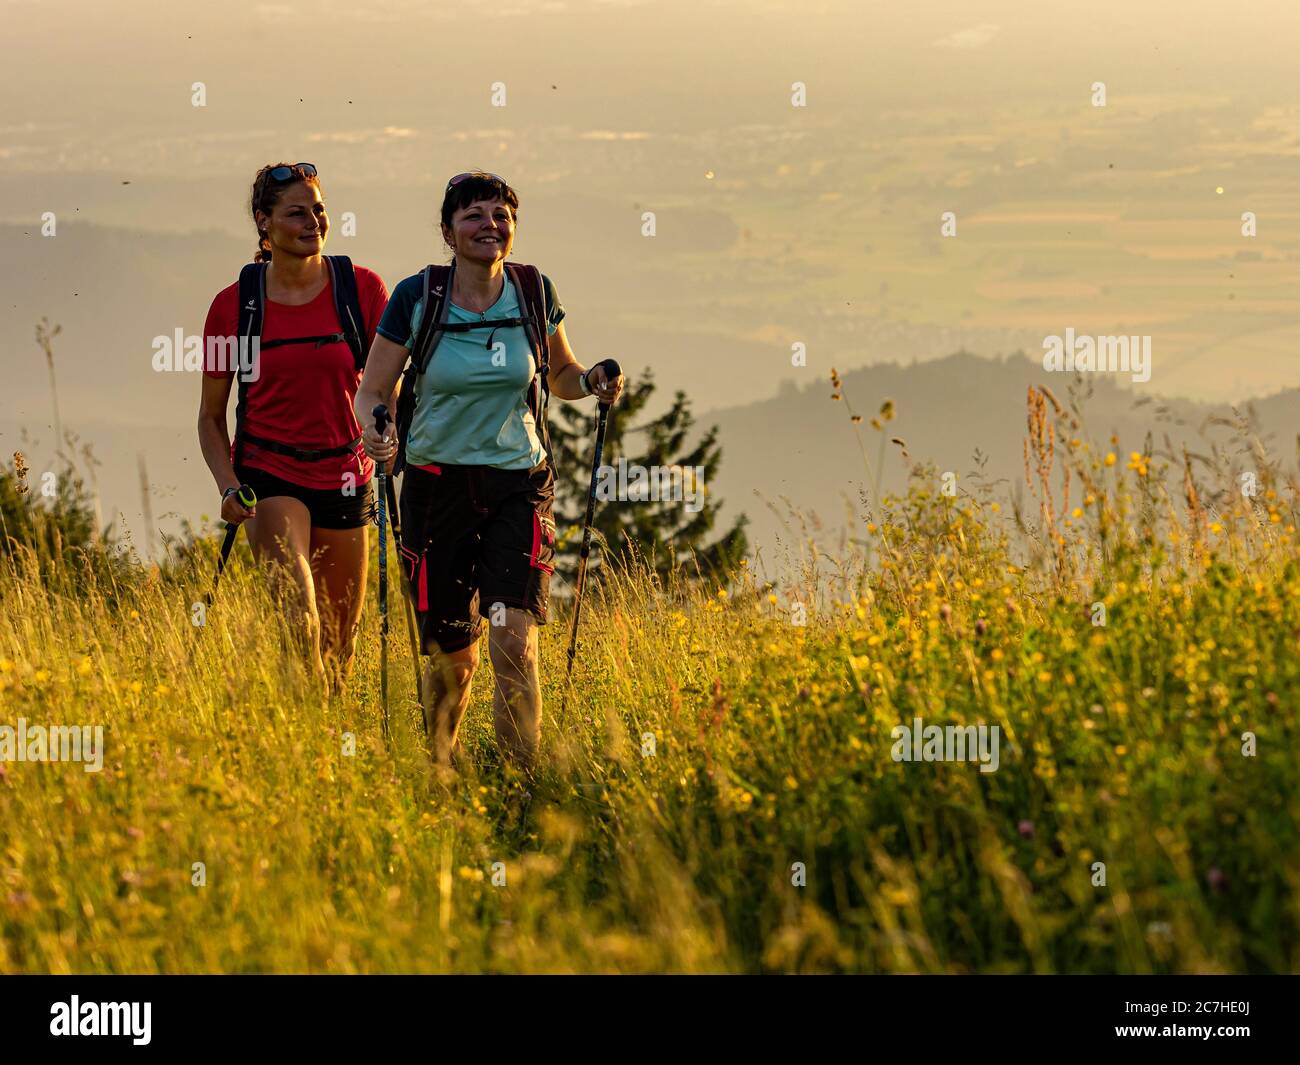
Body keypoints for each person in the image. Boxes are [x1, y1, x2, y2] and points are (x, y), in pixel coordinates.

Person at [354, 171, 623, 777]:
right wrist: (375, 427)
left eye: (501, 215)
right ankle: (440, 771)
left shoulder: (532, 292)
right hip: (434, 485)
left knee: (513, 644)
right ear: (448, 232)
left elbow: (560, 375)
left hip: (517, 486)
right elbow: (373, 387)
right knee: (455, 659)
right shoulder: (417, 296)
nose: (489, 225)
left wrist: (593, 382)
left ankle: (519, 787)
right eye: (474, 215)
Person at [198, 162, 390, 689]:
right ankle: (302, 726)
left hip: (348, 474)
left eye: (319, 209)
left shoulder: (363, 290)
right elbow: (212, 418)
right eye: (296, 212)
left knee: (338, 645)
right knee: (297, 619)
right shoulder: (233, 306)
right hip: (269, 473)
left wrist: (390, 433)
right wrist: (229, 485)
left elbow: (391, 388)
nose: (314, 221)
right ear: (264, 223)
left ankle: (318, 748)